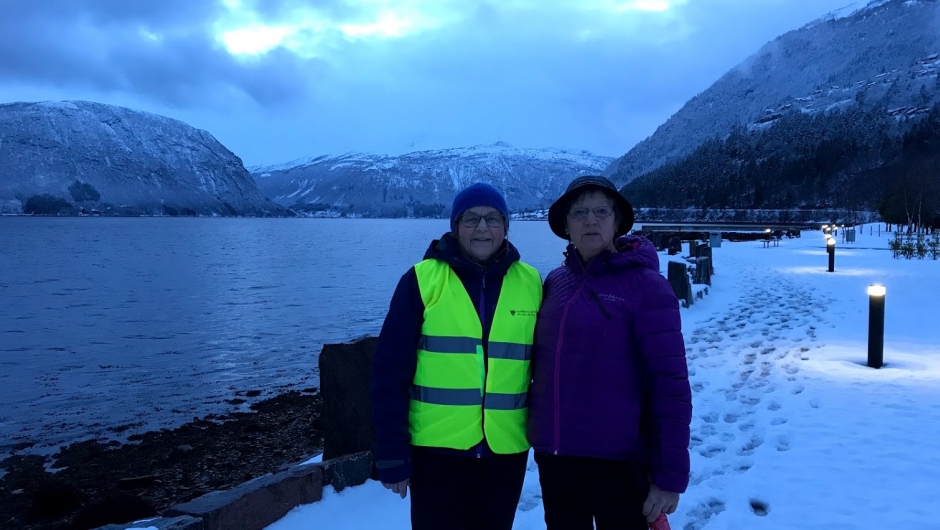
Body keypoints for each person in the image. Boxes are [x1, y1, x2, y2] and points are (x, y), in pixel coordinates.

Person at [371, 182, 543, 530]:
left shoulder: (531, 282)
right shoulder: (422, 280)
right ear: (455, 226)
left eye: (492, 218)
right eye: (471, 218)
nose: (482, 228)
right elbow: (389, 373)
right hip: (436, 452)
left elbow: (545, 367)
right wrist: (391, 452)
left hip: (505, 453)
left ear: (506, 226)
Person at [528, 175, 692, 529]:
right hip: (556, 458)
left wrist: (669, 476)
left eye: (601, 211)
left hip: (620, 463)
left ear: (617, 222)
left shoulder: (646, 286)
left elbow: (670, 385)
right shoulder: (555, 282)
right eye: (579, 212)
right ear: (566, 226)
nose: (590, 220)